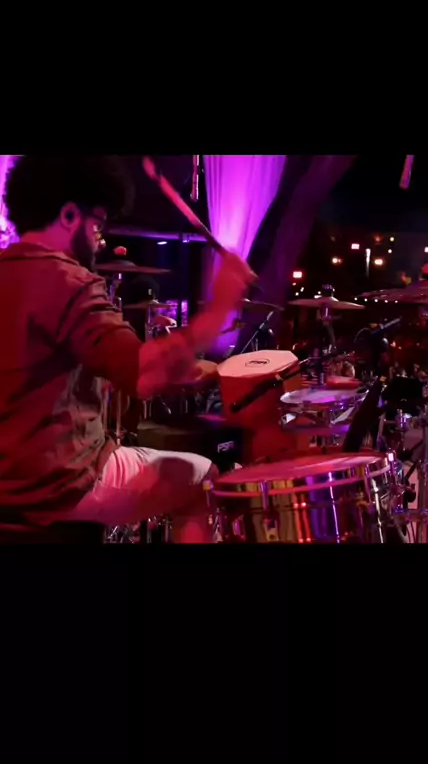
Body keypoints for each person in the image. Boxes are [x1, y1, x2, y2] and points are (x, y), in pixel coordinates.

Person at [0, 155, 253, 542]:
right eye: (97, 224)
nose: (100, 239)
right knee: (204, 478)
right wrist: (217, 310)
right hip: (56, 485)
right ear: (69, 215)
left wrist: (177, 366)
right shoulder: (68, 280)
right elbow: (144, 376)